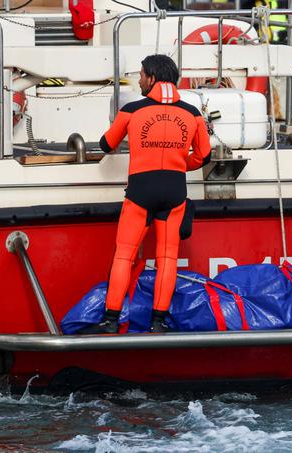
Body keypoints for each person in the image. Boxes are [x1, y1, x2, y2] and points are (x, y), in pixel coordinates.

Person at [80, 55, 211, 334]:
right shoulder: (193, 114)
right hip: (175, 191)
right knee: (167, 259)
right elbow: (203, 156)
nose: (138, 80)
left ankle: (111, 320)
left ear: (151, 78)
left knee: (124, 256)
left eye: (141, 75)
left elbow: (106, 144)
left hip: (140, 192)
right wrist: (178, 164)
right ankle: (159, 322)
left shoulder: (132, 110)